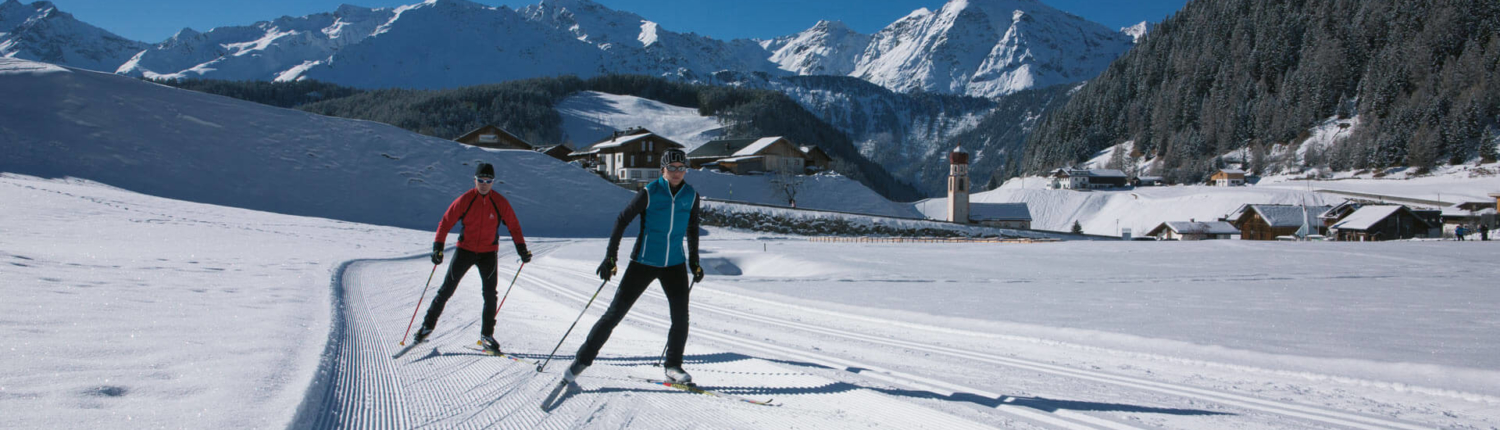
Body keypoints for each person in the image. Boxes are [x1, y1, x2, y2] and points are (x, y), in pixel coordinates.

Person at [565, 149, 704, 384]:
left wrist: (694, 261)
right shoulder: (650, 192)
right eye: (672, 167)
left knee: (681, 319)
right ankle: (581, 361)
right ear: (663, 169)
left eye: (681, 167)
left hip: (675, 264)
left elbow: (692, 229)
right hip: (643, 262)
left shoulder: (691, 195)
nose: (677, 172)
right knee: (614, 314)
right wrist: (611, 257)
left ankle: (673, 366)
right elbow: (622, 219)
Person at [413, 163, 531, 354]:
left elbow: (514, 226)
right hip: (464, 251)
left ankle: (486, 335)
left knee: (490, 295)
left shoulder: (500, 202)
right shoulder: (465, 200)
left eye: (488, 181)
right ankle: (426, 327)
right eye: (481, 180)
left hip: (488, 254)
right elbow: (445, 222)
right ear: (474, 180)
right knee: (446, 290)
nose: (484, 184)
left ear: (493, 182)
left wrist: (522, 250)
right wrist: (438, 248)